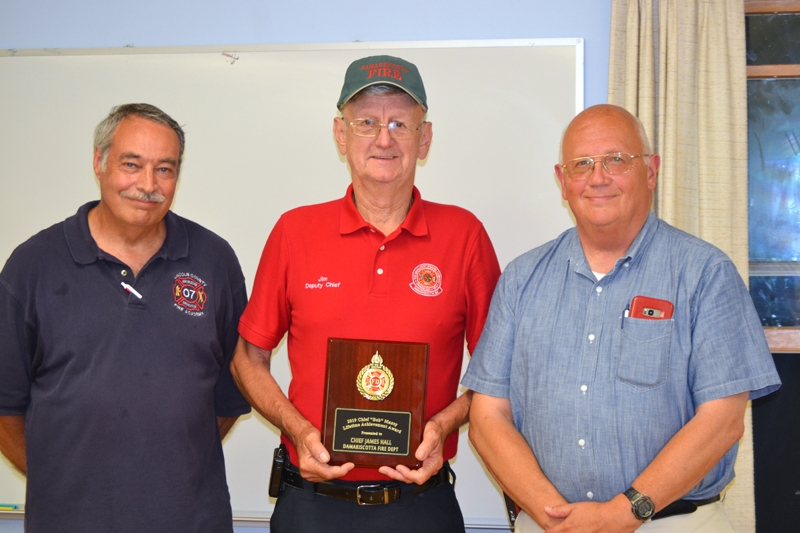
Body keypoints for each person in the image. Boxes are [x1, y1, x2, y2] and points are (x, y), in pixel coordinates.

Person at [463, 104, 781, 533]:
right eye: (582, 164)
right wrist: (553, 515)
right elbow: (488, 417)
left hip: (672, 524)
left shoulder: (705, 273)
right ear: (562, 181)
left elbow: (722, 420)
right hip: (551, 525)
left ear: (651, 171)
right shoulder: (522, 279)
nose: (598, 177)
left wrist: (623, 513)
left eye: (617, 160)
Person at [230, 55, 501, 532]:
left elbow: (499, 371)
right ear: (340, 134)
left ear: (425, 137)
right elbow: (248, 357)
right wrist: (298, 430)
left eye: (400, 123)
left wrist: (443, 425)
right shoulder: (296, 231)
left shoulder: (464, 235)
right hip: (311, 504)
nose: (384, 138)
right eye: (367, 123)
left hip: (422, 506)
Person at [0, 103, 251, 532]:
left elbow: (229, 396)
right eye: (131, 164)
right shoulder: (32, 267)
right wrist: (65, 483)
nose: (147, 185)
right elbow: (6, 407)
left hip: (191, 521)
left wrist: (172, 472)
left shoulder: (214, 261)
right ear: (98, 162)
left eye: (165, 169)